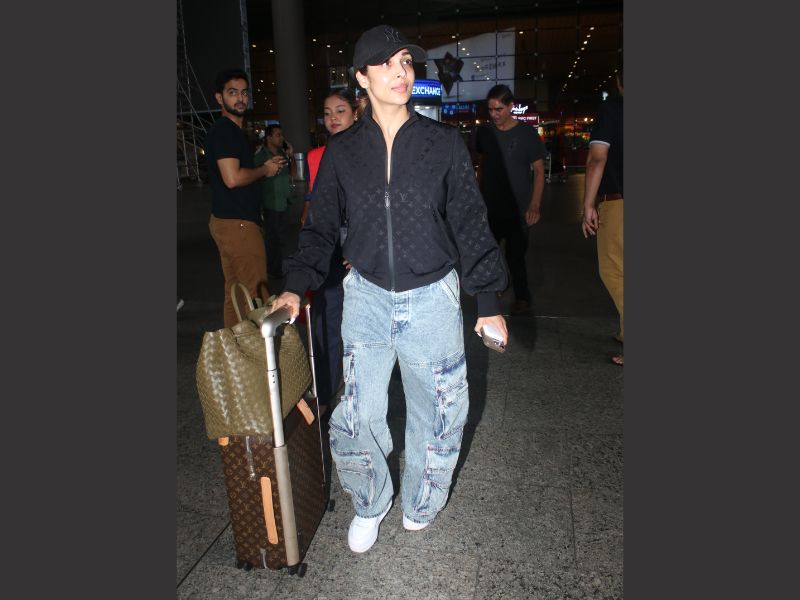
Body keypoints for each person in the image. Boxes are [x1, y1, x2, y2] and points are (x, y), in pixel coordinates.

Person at [269, 24, 508, 554]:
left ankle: (421, 501)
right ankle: (370, 501)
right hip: (367, 296)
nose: (401, 71)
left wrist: (488, 301)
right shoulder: (343, 152)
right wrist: (296, 285)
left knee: (438, 411)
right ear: (361, 77)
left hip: (433, 296)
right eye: (387, 63)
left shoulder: (442, 143)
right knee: (357, 412)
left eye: (406, 61)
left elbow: (470, 221)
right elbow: (320, 227)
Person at [203, 68, 287, 328]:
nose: (240, 98)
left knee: (235, 295)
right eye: (232, 93)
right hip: (238, 224)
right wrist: (265, 170)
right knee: (256, 293)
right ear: (219, 98)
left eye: (243, 93)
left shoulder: (229, 131)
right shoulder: (225, 131)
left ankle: (235, 349)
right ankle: (262, 351)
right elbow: (232, 178)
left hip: (226, 221)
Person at [301, 89, 359, 413]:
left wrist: (361, 242)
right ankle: (324, 395)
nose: (333, 118)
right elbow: (314, 205)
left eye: (340, 110)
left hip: (362, 246)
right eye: (327, 112)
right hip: (329, 244)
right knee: (326, 317)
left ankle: (360, 388)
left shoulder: (369, 150)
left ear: (355, 114)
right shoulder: (315, 156)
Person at [475, 84, 548, 316]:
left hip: (518, 209)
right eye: (490, 110)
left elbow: (539, 171)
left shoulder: (526, 133)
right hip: (490, 207)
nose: (494, 114)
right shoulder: (485, 133)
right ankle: (494, 290)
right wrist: (477, 196)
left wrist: (534, 205)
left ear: (510, 107)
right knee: (488, 254)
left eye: (499, 109)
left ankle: (522, 297)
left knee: (516, 257)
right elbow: (481, 165)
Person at [581, 70, 624, 366]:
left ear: (619, 81)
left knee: (613, 271)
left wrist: (588, 204)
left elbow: (597, 159)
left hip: (620, 203)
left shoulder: (613, 109)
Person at [255, 124, 297, 279]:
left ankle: (278, 265)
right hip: (270, 202)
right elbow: (255, 175)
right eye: (278, 135)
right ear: (269, 138)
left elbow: (293, 173)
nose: (281, 138)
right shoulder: (261, 155)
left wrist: (291, 156)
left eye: (281, 134)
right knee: (273, 237)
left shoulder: (282, 153)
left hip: (283, 200)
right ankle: (274, 268)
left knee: (281, 236)